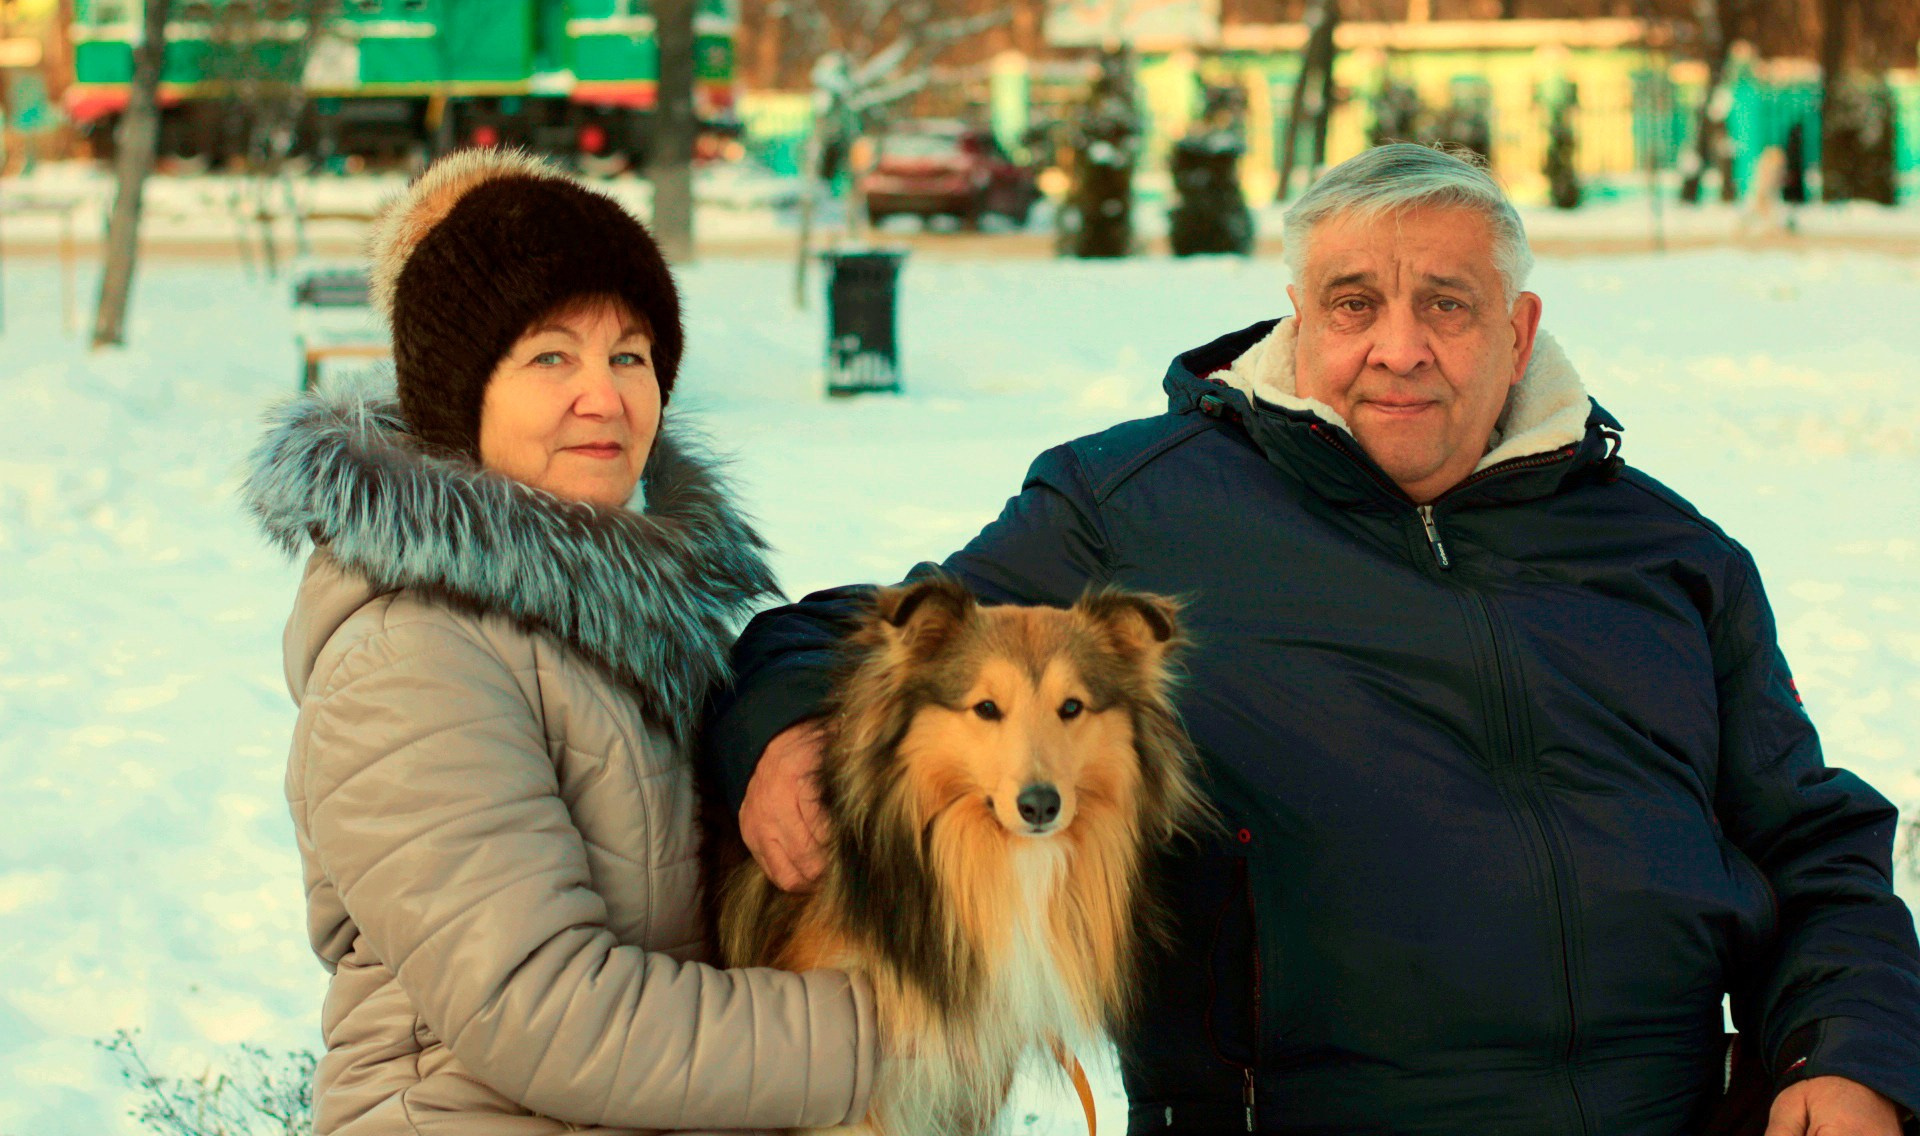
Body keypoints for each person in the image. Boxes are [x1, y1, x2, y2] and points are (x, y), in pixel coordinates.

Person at [706, 144, 1920, 1135]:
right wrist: (782, 728)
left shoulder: (1670, 554)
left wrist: (1851, 1051)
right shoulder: (1137, 506)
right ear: (1299, 319)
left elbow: (1815, 844)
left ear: (1518, 327)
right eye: (1354, 304)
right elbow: (860, 637)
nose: (1399, 345)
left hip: (1662, 1107)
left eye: (1447, 303)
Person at [245, 149, 878, 1135]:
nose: (605, 396)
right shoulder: (411, 659)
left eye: (630, 356)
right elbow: (547, 1013)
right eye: (551, 357)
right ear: (461, 395)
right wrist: (897, 1035)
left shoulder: (641, 612)